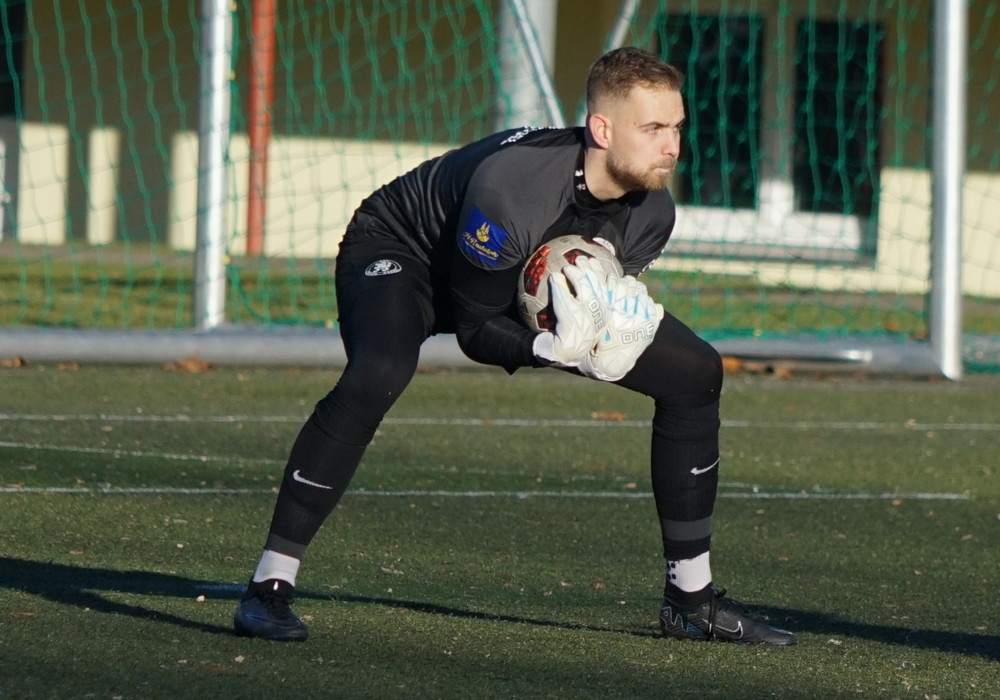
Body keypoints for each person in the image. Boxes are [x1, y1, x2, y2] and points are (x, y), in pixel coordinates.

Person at [233, 46, 795, 646]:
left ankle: (691, 602)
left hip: (509, 273)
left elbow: (571, 296)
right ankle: (269, 586)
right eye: (653, 128)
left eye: (677, 127)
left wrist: (603, 332)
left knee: (697, 372)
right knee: (380, 370)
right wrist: (552, 349)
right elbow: (476, 331)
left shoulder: (654, 212)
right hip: (405, 252)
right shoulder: (515, 189)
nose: (672, 146)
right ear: (602, 130)